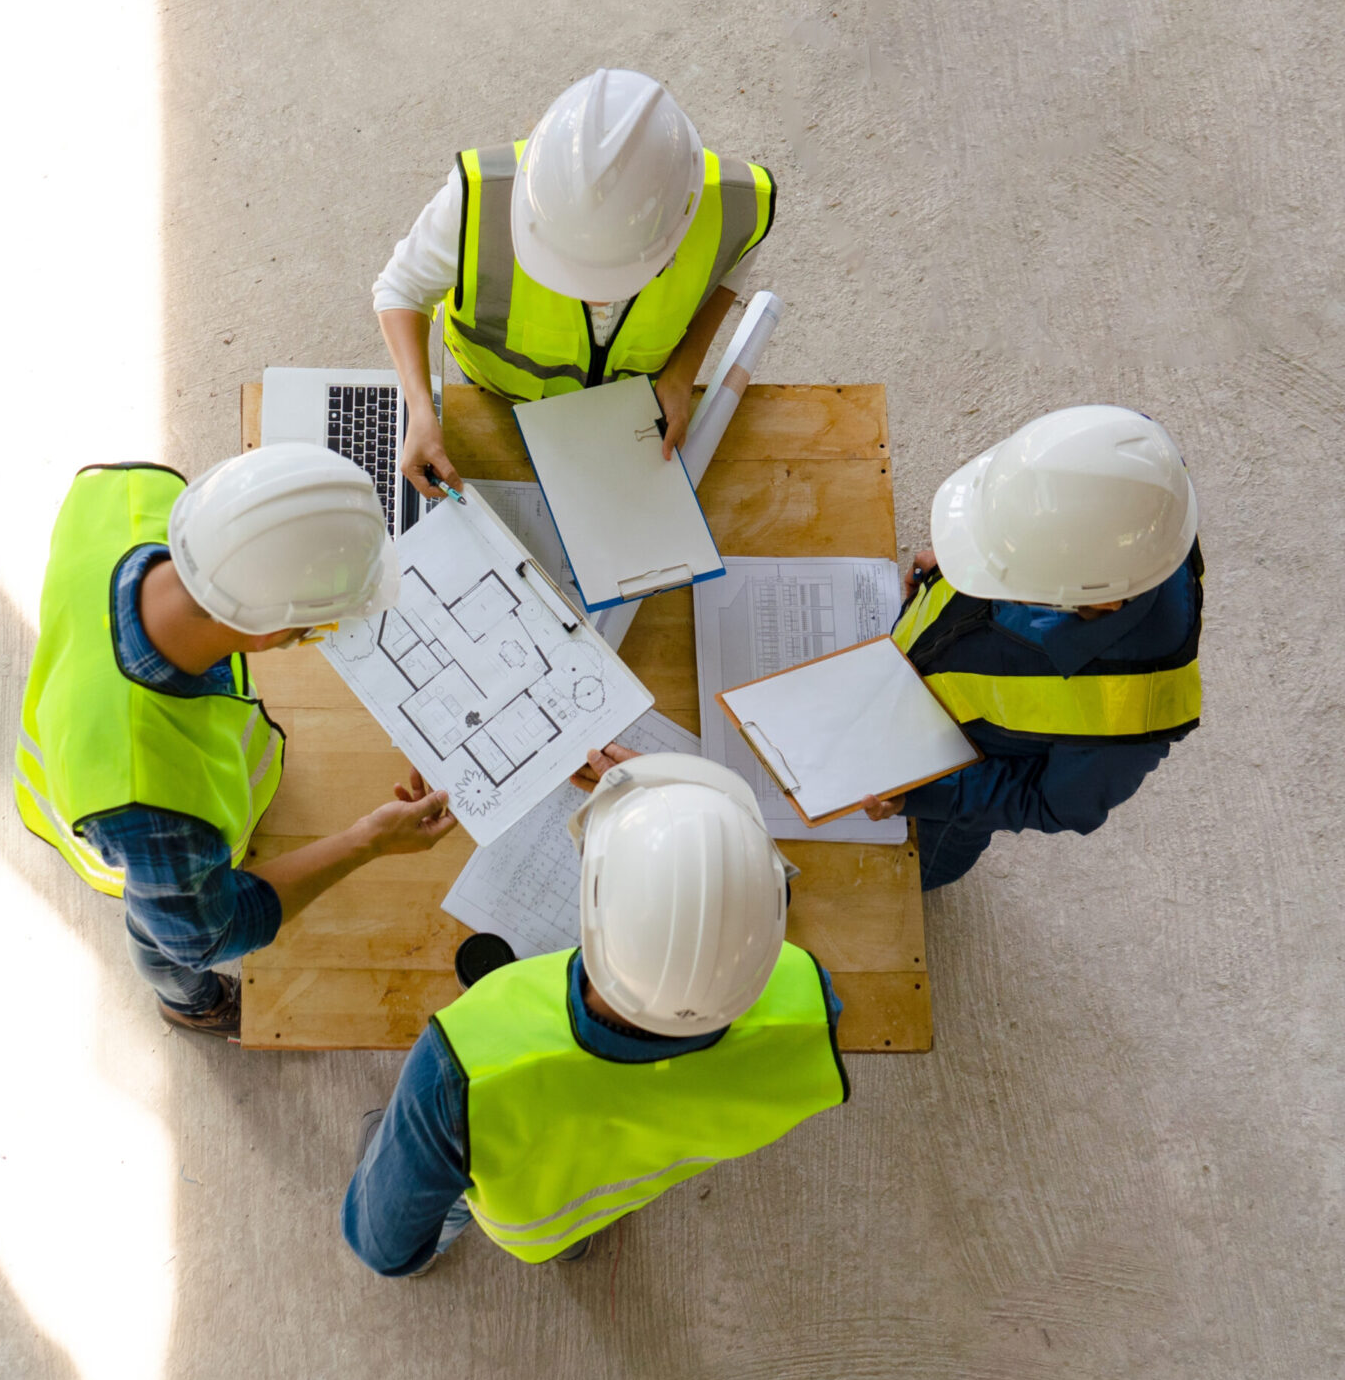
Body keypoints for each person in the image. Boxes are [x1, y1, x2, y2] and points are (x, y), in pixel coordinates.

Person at [343, 751, 848, 1276]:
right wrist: (688, 829)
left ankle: (534, 1234)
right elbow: (724, 914)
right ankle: (572, 1238)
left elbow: (382, 1245)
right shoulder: (808, 1001)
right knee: (578, 1202)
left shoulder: (462, 1068)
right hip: (618, 1186)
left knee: (425, 1167)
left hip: (530, 1216)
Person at [14, 447, 458, 1039]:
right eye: (318, 626)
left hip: (120, 732)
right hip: (123, 817)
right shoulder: (151, 805)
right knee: (162, 946)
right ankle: (189, 1006)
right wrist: (367, 841)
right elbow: (209, 933)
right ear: (272, 629)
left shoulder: (133, 497)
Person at [374, 67, 777, 501]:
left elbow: (734, 263)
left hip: (622, 410)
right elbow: (402, 289)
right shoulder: (478, 198)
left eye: (615, 277)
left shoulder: (734, 207)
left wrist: (681, 375)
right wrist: (420, 407)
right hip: (496, 391)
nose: (593, 297)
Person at [861, 405, 1204, 891]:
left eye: (1008, 579)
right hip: (912, 679)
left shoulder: (1132, 709)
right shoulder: (1133, 473)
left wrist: (925, 794)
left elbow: (1048, 802)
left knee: (903, 876)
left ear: (1100, 600)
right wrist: (966, 551)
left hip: (946, 795)